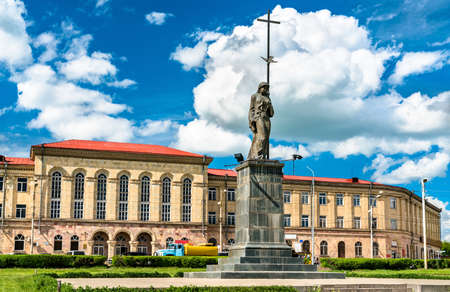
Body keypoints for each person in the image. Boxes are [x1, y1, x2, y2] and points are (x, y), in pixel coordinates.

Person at [248, 82, 274, 160]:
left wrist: (270, 105)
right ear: (260, 88)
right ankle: (257, 154)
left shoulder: (268, 98)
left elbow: (271, 114)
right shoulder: (254, 96)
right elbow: (251, 109)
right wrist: (251, 122)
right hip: (258, 117)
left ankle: (263, 155)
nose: (265, 89)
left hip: (266, 118)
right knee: (262, 137)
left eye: (267, 88)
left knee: (266, 138)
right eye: (264, 87)